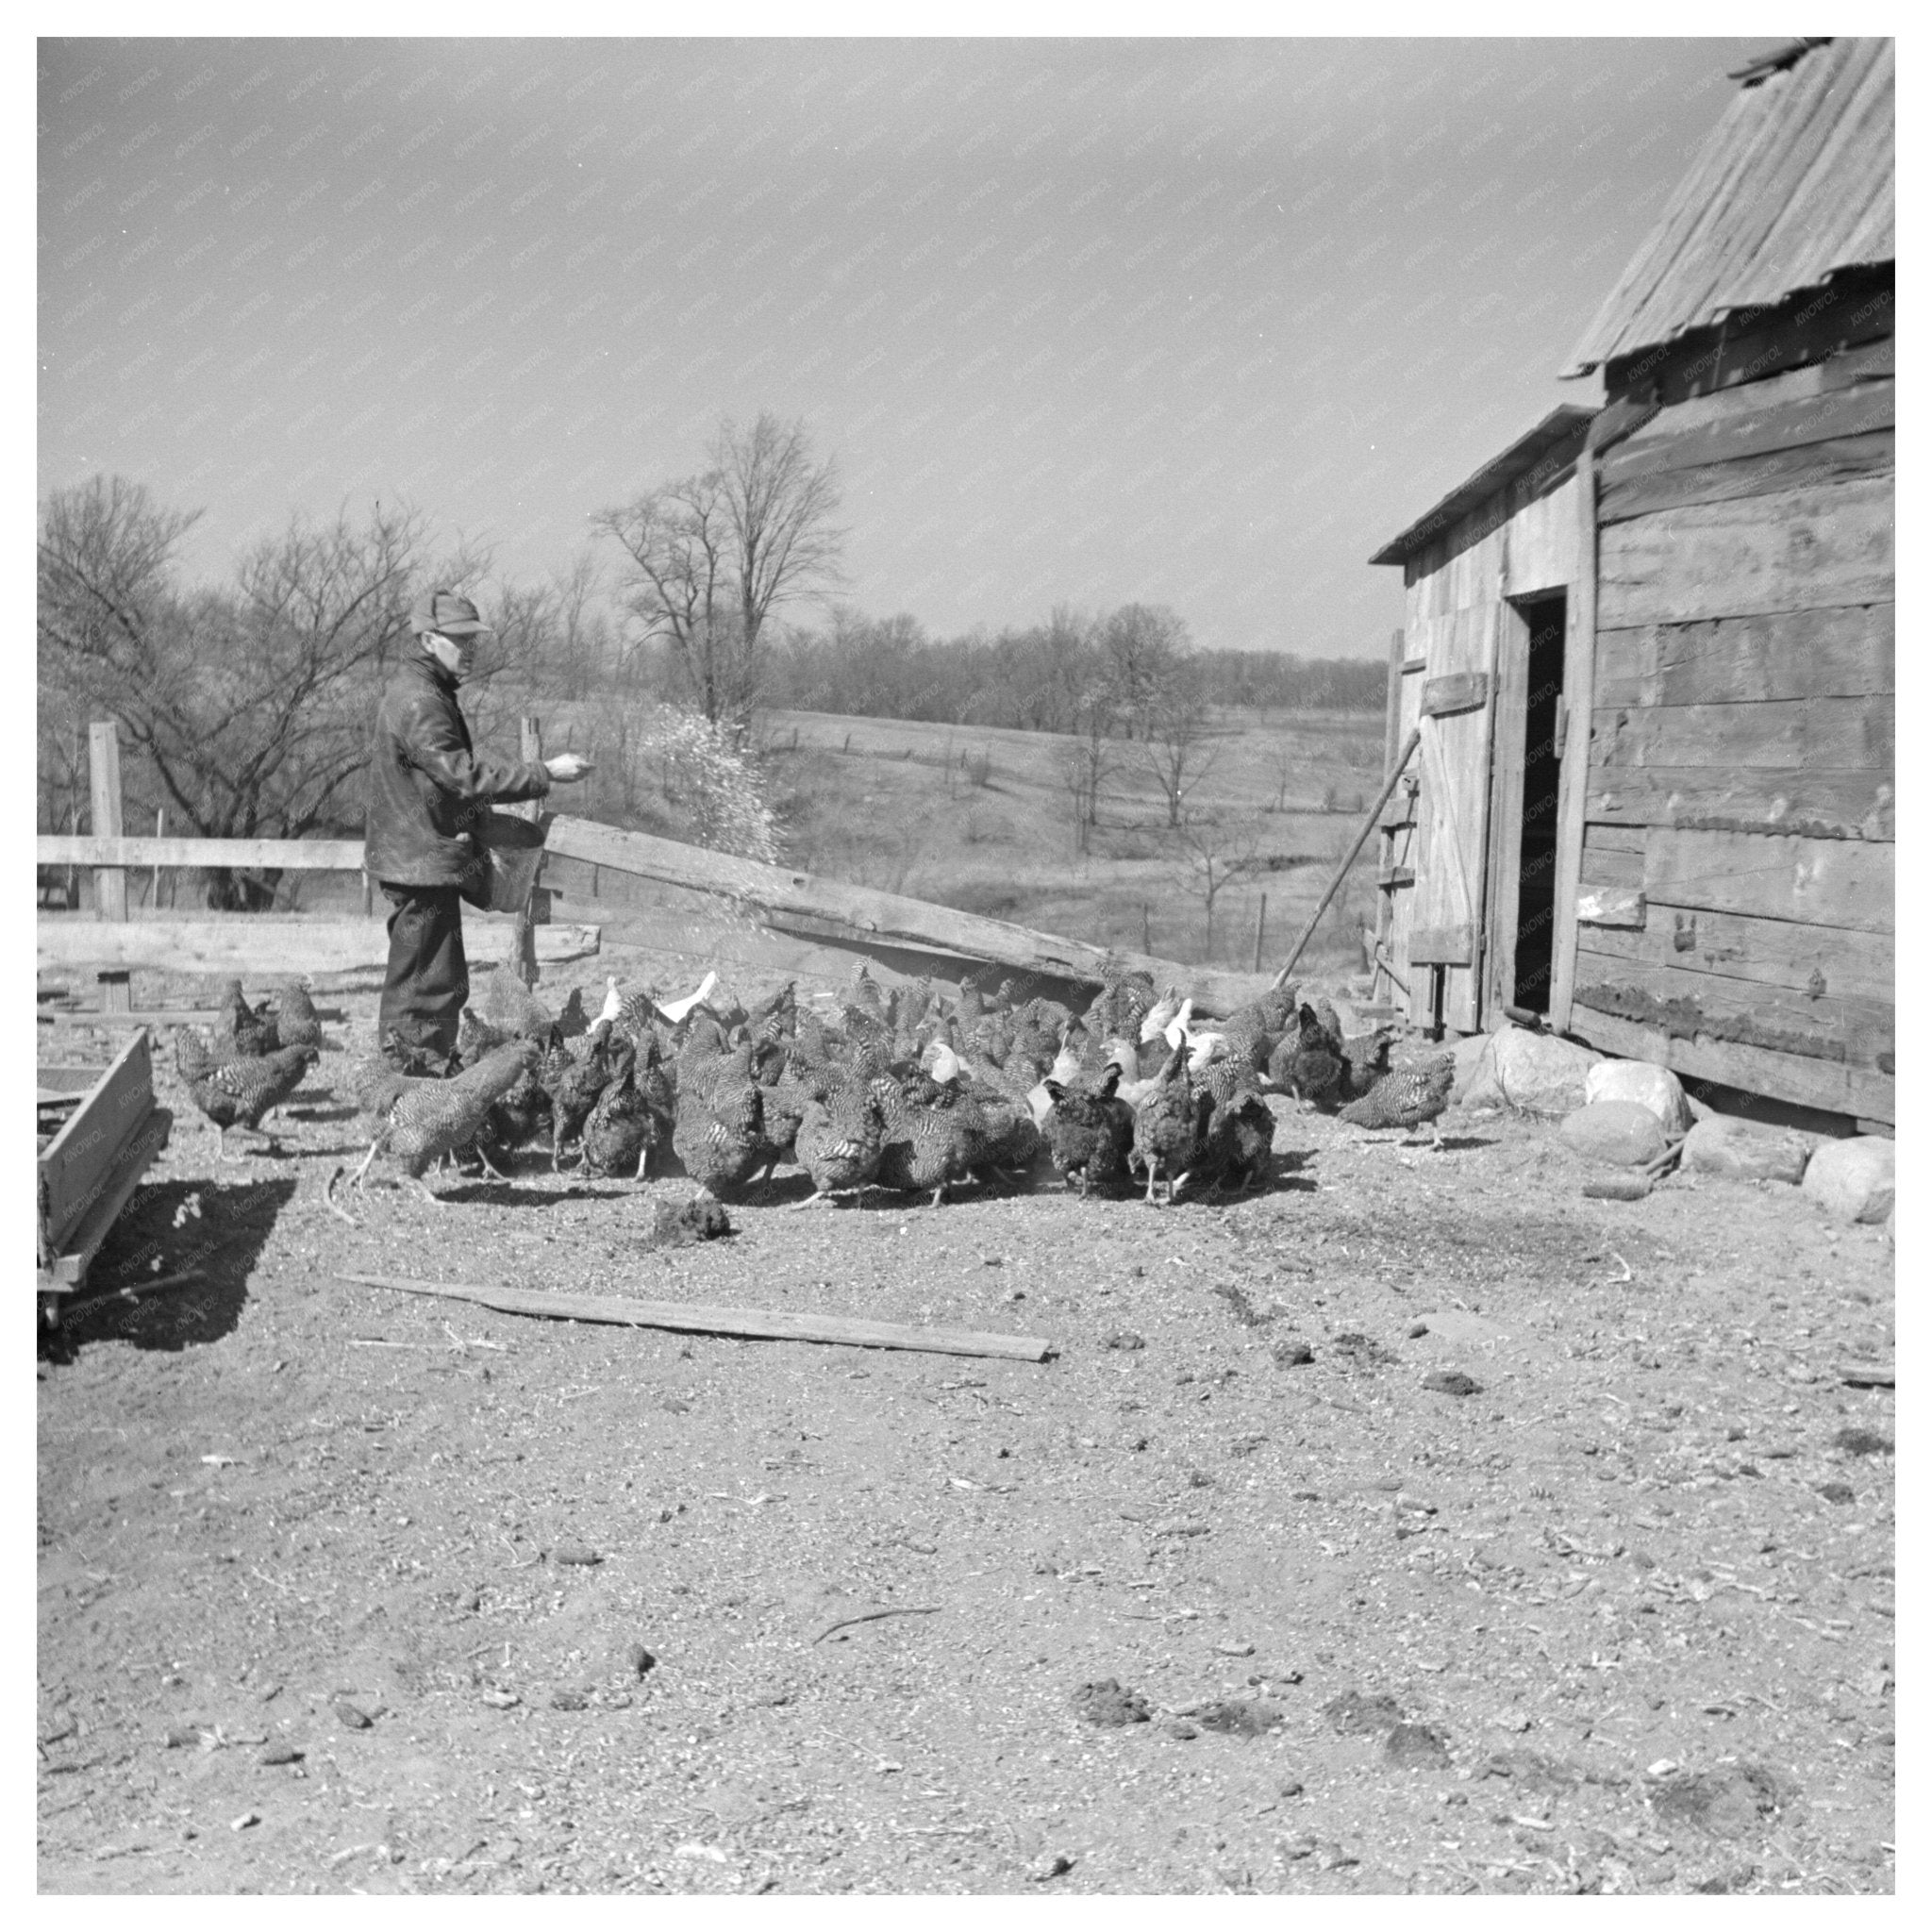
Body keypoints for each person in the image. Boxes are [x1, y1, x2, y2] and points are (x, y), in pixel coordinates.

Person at [363, 590, 591, 1068]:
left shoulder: (422, 689)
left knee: (430, 978)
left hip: (420, 859)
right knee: (427, 988)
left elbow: (442, 783)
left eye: (472, 639)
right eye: (459, 639)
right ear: (428, 639)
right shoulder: (421, 701)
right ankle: (412, 1094)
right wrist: (543, 773)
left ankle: (413, 1087)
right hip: (421, 864)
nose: (469, 649)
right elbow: (463, 776)